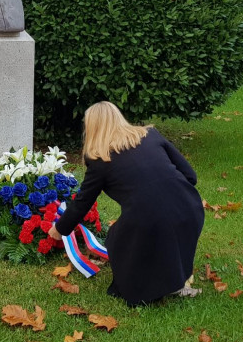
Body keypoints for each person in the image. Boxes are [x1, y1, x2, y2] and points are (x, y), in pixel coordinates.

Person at [48, 102, 204, 306]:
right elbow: (190, 176)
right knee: (157, 231)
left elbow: (82, 203)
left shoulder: (99, 161)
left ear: (91, 127)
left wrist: (59, 229)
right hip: (191, 209)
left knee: (118, 239)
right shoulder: (151, 135)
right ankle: (175, 280)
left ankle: (148, 289)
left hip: (151, 220)